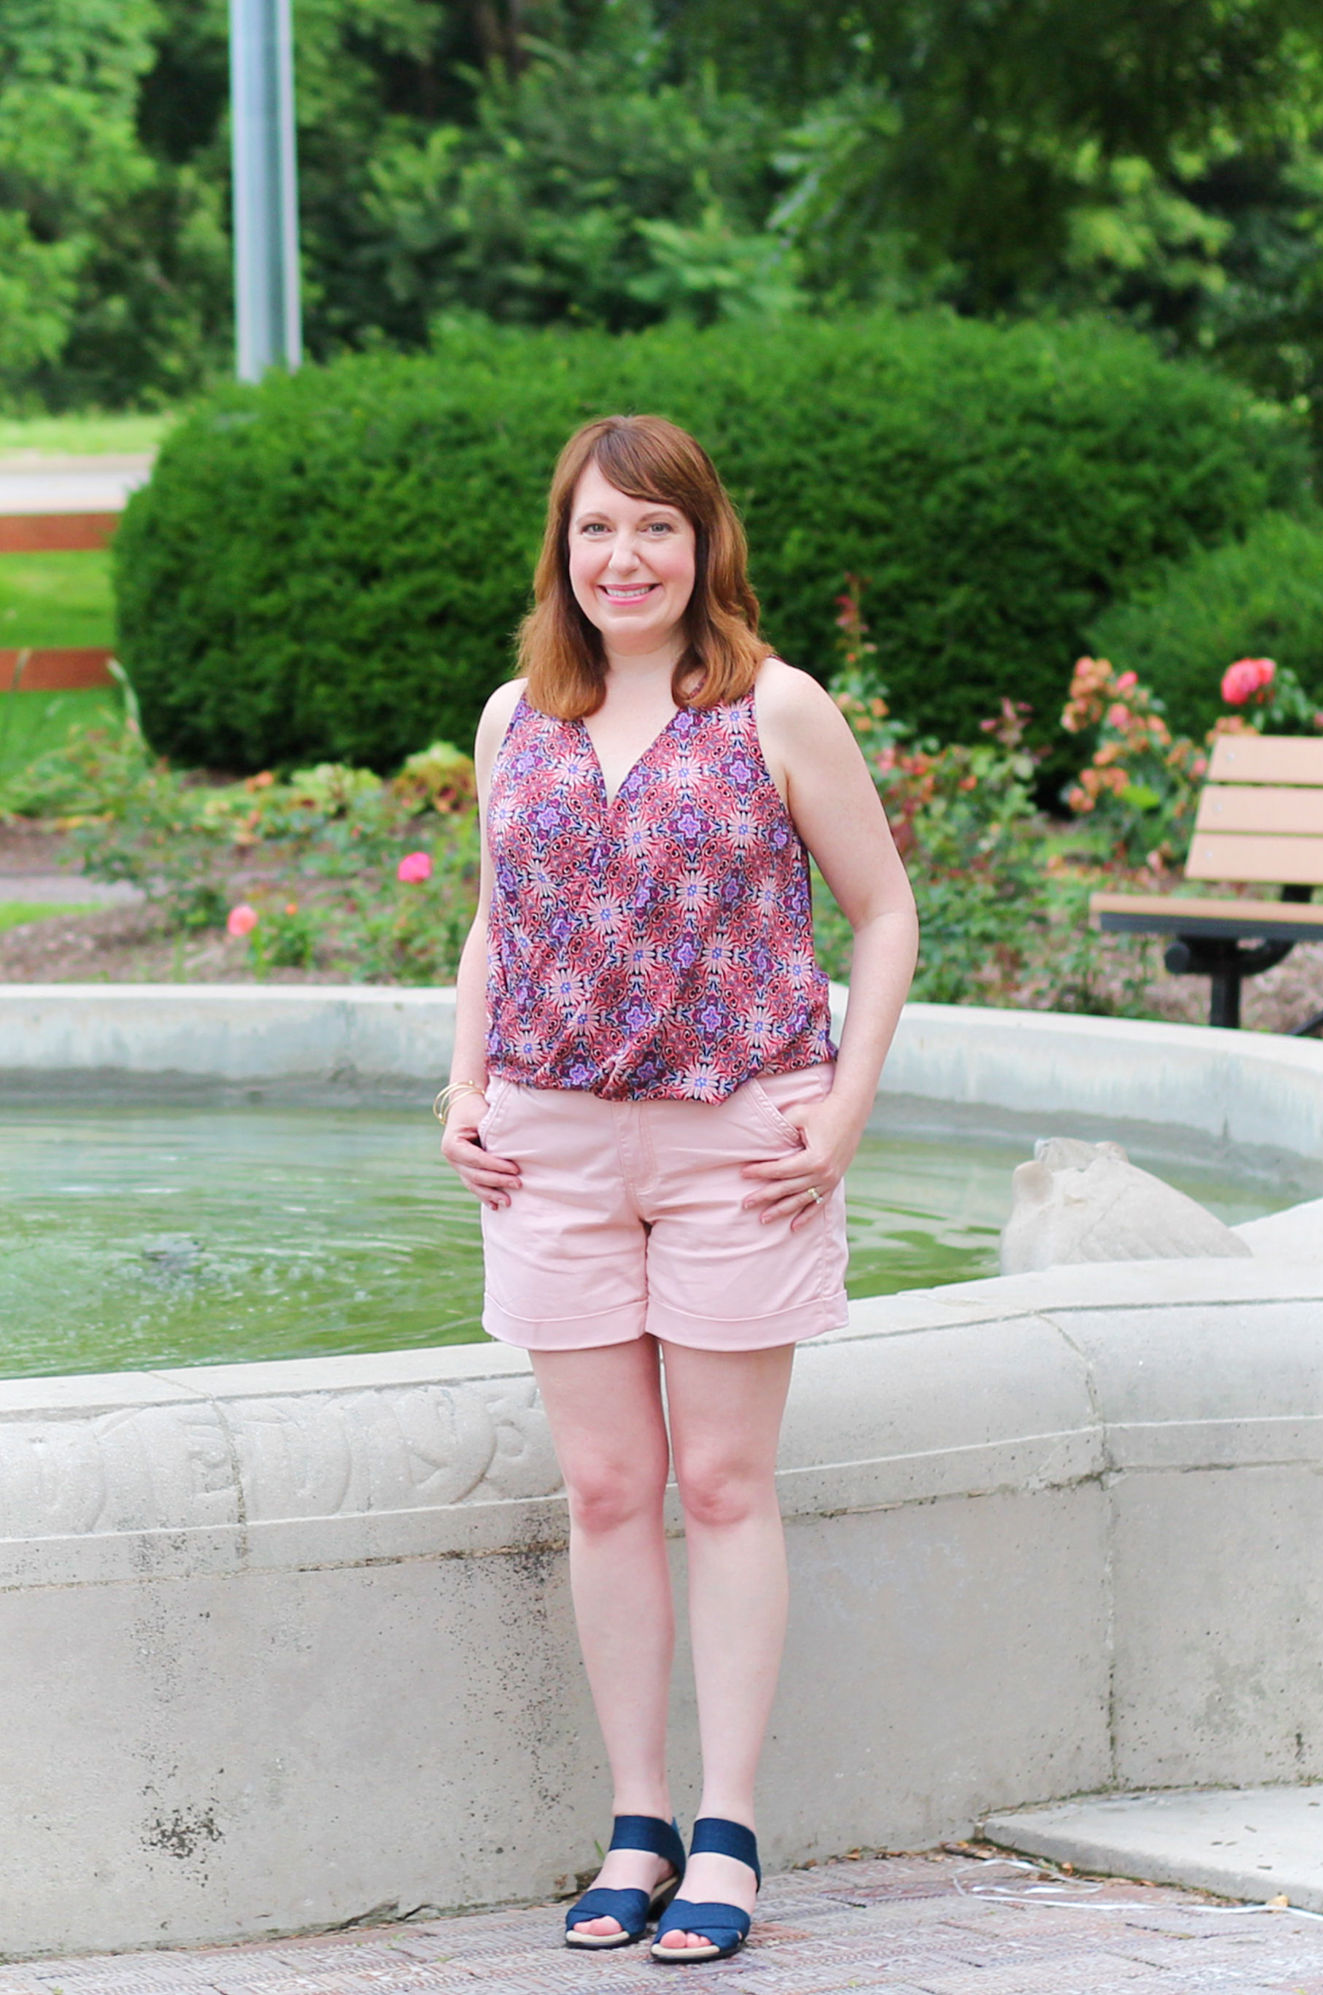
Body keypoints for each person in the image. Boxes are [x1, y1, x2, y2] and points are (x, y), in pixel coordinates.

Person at [439, 414, 917, 1963]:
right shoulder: (519, 714)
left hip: (738, 1143)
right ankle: (633, 1820)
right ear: (560, 553)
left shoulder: (775, 707)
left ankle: (726, 1833)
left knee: (717, 1487)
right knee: (602, 1492)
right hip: (553, 1146)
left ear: (703, 544)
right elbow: (493, 918)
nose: (622, 558)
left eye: (654, 528)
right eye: (595, 530)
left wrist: (841, 1113)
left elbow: (883, 909)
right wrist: (462, 1089)